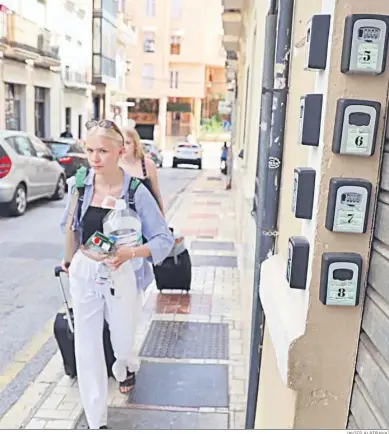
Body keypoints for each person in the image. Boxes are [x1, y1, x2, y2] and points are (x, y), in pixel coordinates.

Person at [60, 119, 174, 429]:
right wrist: (68, 263)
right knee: (87, 347)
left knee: (122, 345)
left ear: (120, 151)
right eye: (90, 150)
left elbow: (162, 239)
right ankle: (97, 421)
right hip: (85, 271)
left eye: (103, 151)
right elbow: (71, 227)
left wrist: (130, 254)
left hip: (122, 273)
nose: (95, 158)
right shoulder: (80, 184)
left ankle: (125, 367)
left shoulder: (136, 191)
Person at [120, 127, 165, 216]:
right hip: (123, 218)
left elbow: (156, 194)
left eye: (128, 143)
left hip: (147, 215)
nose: (124, 147)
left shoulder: (147, 165)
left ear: (135, 145)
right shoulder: (115, 164)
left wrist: (162, 217)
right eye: (121, 143)